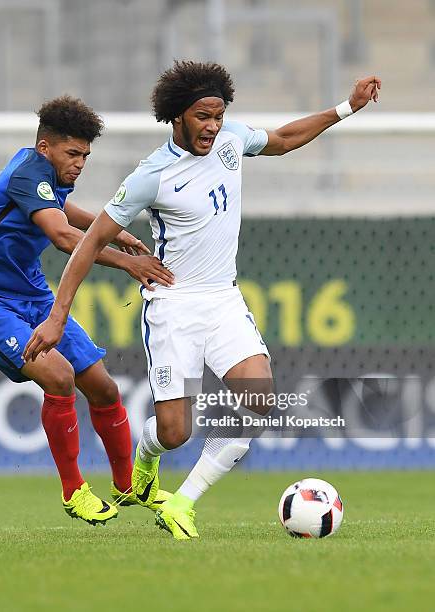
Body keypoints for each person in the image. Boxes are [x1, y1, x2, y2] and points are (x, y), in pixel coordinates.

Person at [23, 63, 381, 540]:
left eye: (218, 114)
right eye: (203, 116)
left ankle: (183, 504)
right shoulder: (152, 175)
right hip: (174, 307)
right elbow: (89, 243)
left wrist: (346, 107)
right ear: (177, 116)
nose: (213, 125)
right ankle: (147, 460)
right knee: (175, 433)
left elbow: (285, 137)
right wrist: (57, 316)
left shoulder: (231, 140)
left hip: (223, 300)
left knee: (259, 399)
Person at [0, 95, 174, 526]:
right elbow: (63, 238)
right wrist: (127, 261)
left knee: (104, 388)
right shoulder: (27, 172)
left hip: (32, 294)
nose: (81, 163)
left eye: (86, 154)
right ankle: (74, 492)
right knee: (60, 376)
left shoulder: (41, 170)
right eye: (73, 153)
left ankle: (126, 487)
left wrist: (107, 230)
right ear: (45, 146)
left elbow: (59, 207)